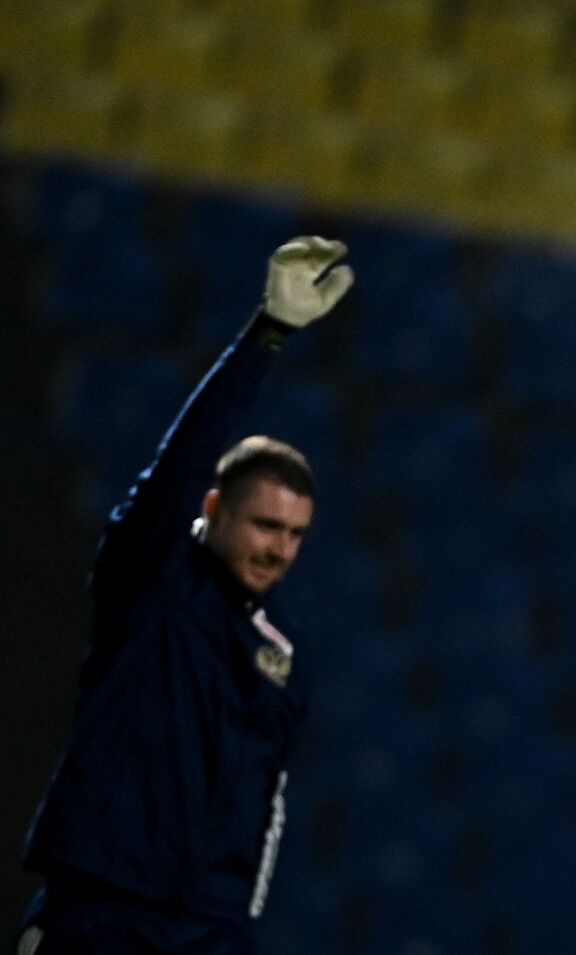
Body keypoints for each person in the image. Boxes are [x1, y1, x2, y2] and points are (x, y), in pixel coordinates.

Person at [17, 237, 353, 954]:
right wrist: (268, 334)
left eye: (296, 534)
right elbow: (176, 465)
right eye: (265, 524)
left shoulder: (284, 650)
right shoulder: (151, 583)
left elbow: (264, 809)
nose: (279, 548)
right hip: (99, 914)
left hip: (208, 932)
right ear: (214, 507)